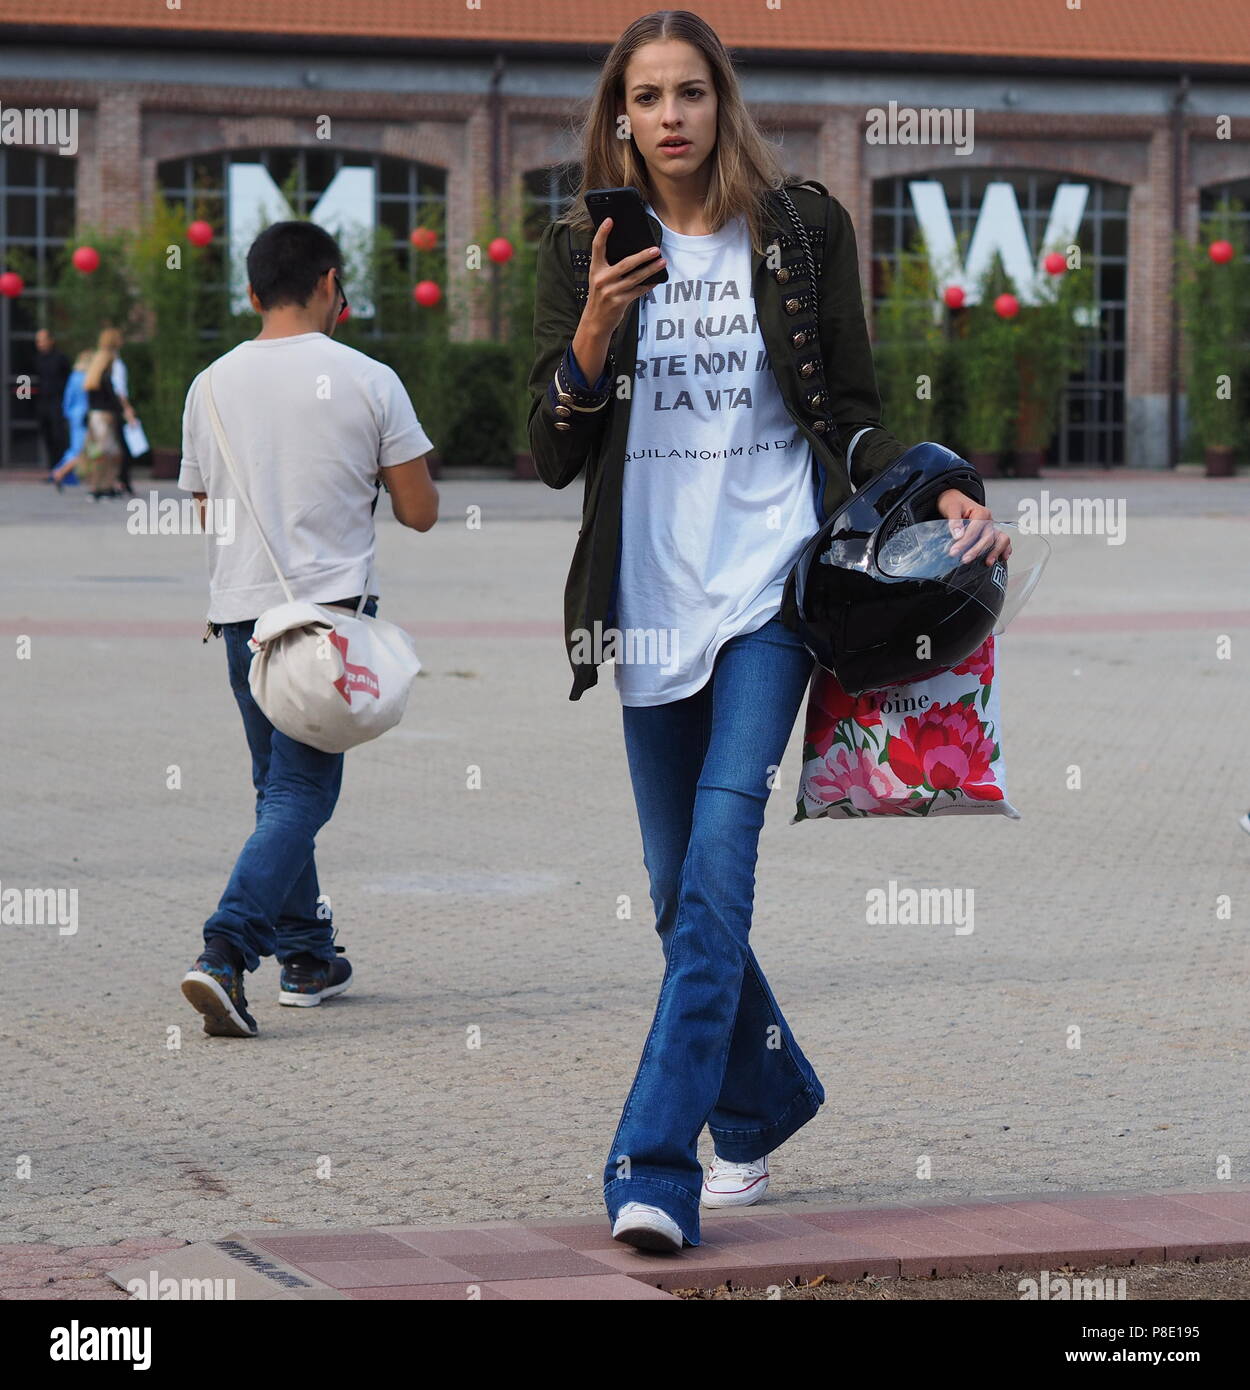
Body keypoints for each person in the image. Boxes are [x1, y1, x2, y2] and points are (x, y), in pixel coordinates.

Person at [527, 9, 1008, 1253]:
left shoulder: (798, 227)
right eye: (647, 97)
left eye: (690, 91)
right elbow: (545, 450)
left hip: (769, 599)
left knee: (718, 870)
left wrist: (937, 480)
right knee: (669, 888)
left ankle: (650, 1163)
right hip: (643, 607)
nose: (671, 116)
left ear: (720, 101)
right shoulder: (582, 242)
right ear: (618, 114)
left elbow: (849, 410)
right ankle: (765, 1097)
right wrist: (591, 324)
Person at [177, 219, 439, 1039]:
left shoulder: (209, 385)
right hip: (326, 623)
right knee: (300, 793)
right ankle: (227, 950)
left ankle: (307, 954)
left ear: (252, 294)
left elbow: (204, 511)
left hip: (240, 620)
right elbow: (422, 512)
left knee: (275, 792)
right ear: (332, 283)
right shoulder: (369, 378)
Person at [81, 328, 124, 500]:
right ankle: (102, 487)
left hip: (95, 414)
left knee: (98, 452)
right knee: (106, 453)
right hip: (105, 415)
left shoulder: (95, 364)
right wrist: (120, 411)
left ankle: (99, 486)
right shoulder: (109, 366)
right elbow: (113, 393)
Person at [50, 349, 92, 490]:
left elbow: (68, 398)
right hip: (85, 416)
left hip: (74, 415)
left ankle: (63, 472)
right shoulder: (88, 377)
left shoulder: (74, 376)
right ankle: (60, 472)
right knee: (81, 449)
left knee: (76, 447)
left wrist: (67, 413)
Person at [34, 328, 71, 474]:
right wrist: (25, 398)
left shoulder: (61, 358)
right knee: (47, 435)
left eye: (43, 340)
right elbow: (25, 380)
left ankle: (61, 469)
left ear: (51, 340)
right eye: (38, 341)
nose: (40, 344)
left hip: (57, 402)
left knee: (58, 435)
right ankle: (52, 469)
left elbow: (69, 380)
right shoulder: (35, 359)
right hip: (42, 402)